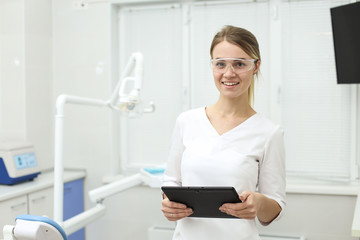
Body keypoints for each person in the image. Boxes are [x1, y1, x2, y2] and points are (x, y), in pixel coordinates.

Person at [161, 25, 286, 240]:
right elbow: (172, 182)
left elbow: (274, 208)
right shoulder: (187, 121)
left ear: (256, 66)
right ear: (212, 66)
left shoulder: (269, 133)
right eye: (220, 64)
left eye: (239, 64)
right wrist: (168, 205)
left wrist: (258, 203)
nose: (229, 73)